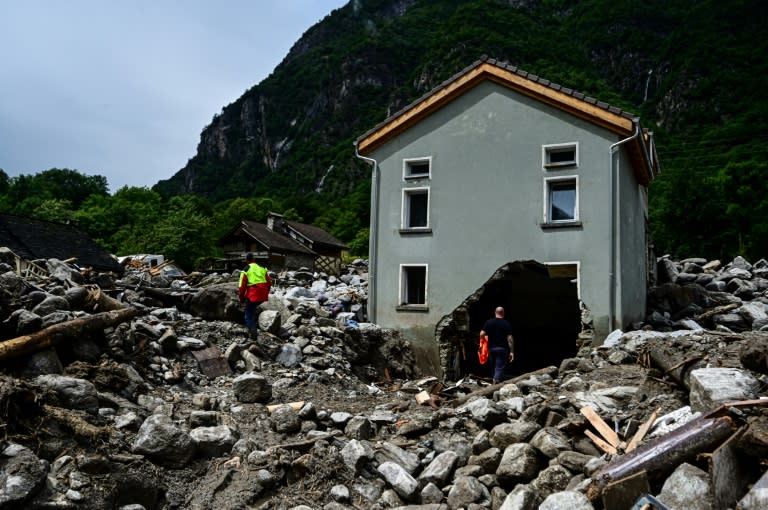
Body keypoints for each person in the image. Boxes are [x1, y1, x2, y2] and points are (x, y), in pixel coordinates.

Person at [479, 306, 514, 384]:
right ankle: (496, 382)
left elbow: (482, 334)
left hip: (491, 349)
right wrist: (512, 351)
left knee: (494, 367)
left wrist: (484, 341)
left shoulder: (489, 322)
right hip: (502, 349)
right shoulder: (506, 323)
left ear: (495, 313)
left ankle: (495, 382)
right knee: (499, 367)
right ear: (503, 313)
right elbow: (510, 339)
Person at [238, 253, 272, 331]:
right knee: (253, 308)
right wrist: (266, 292)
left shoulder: (245, 270)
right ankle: (254, 319)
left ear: (246, 260)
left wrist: (241, 299)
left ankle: (253, 332)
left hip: (253, 294)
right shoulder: (262, 268)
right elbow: (269, 282)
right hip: (263, 294)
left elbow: (241, 287)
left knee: (248, 316)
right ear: (254, 260)